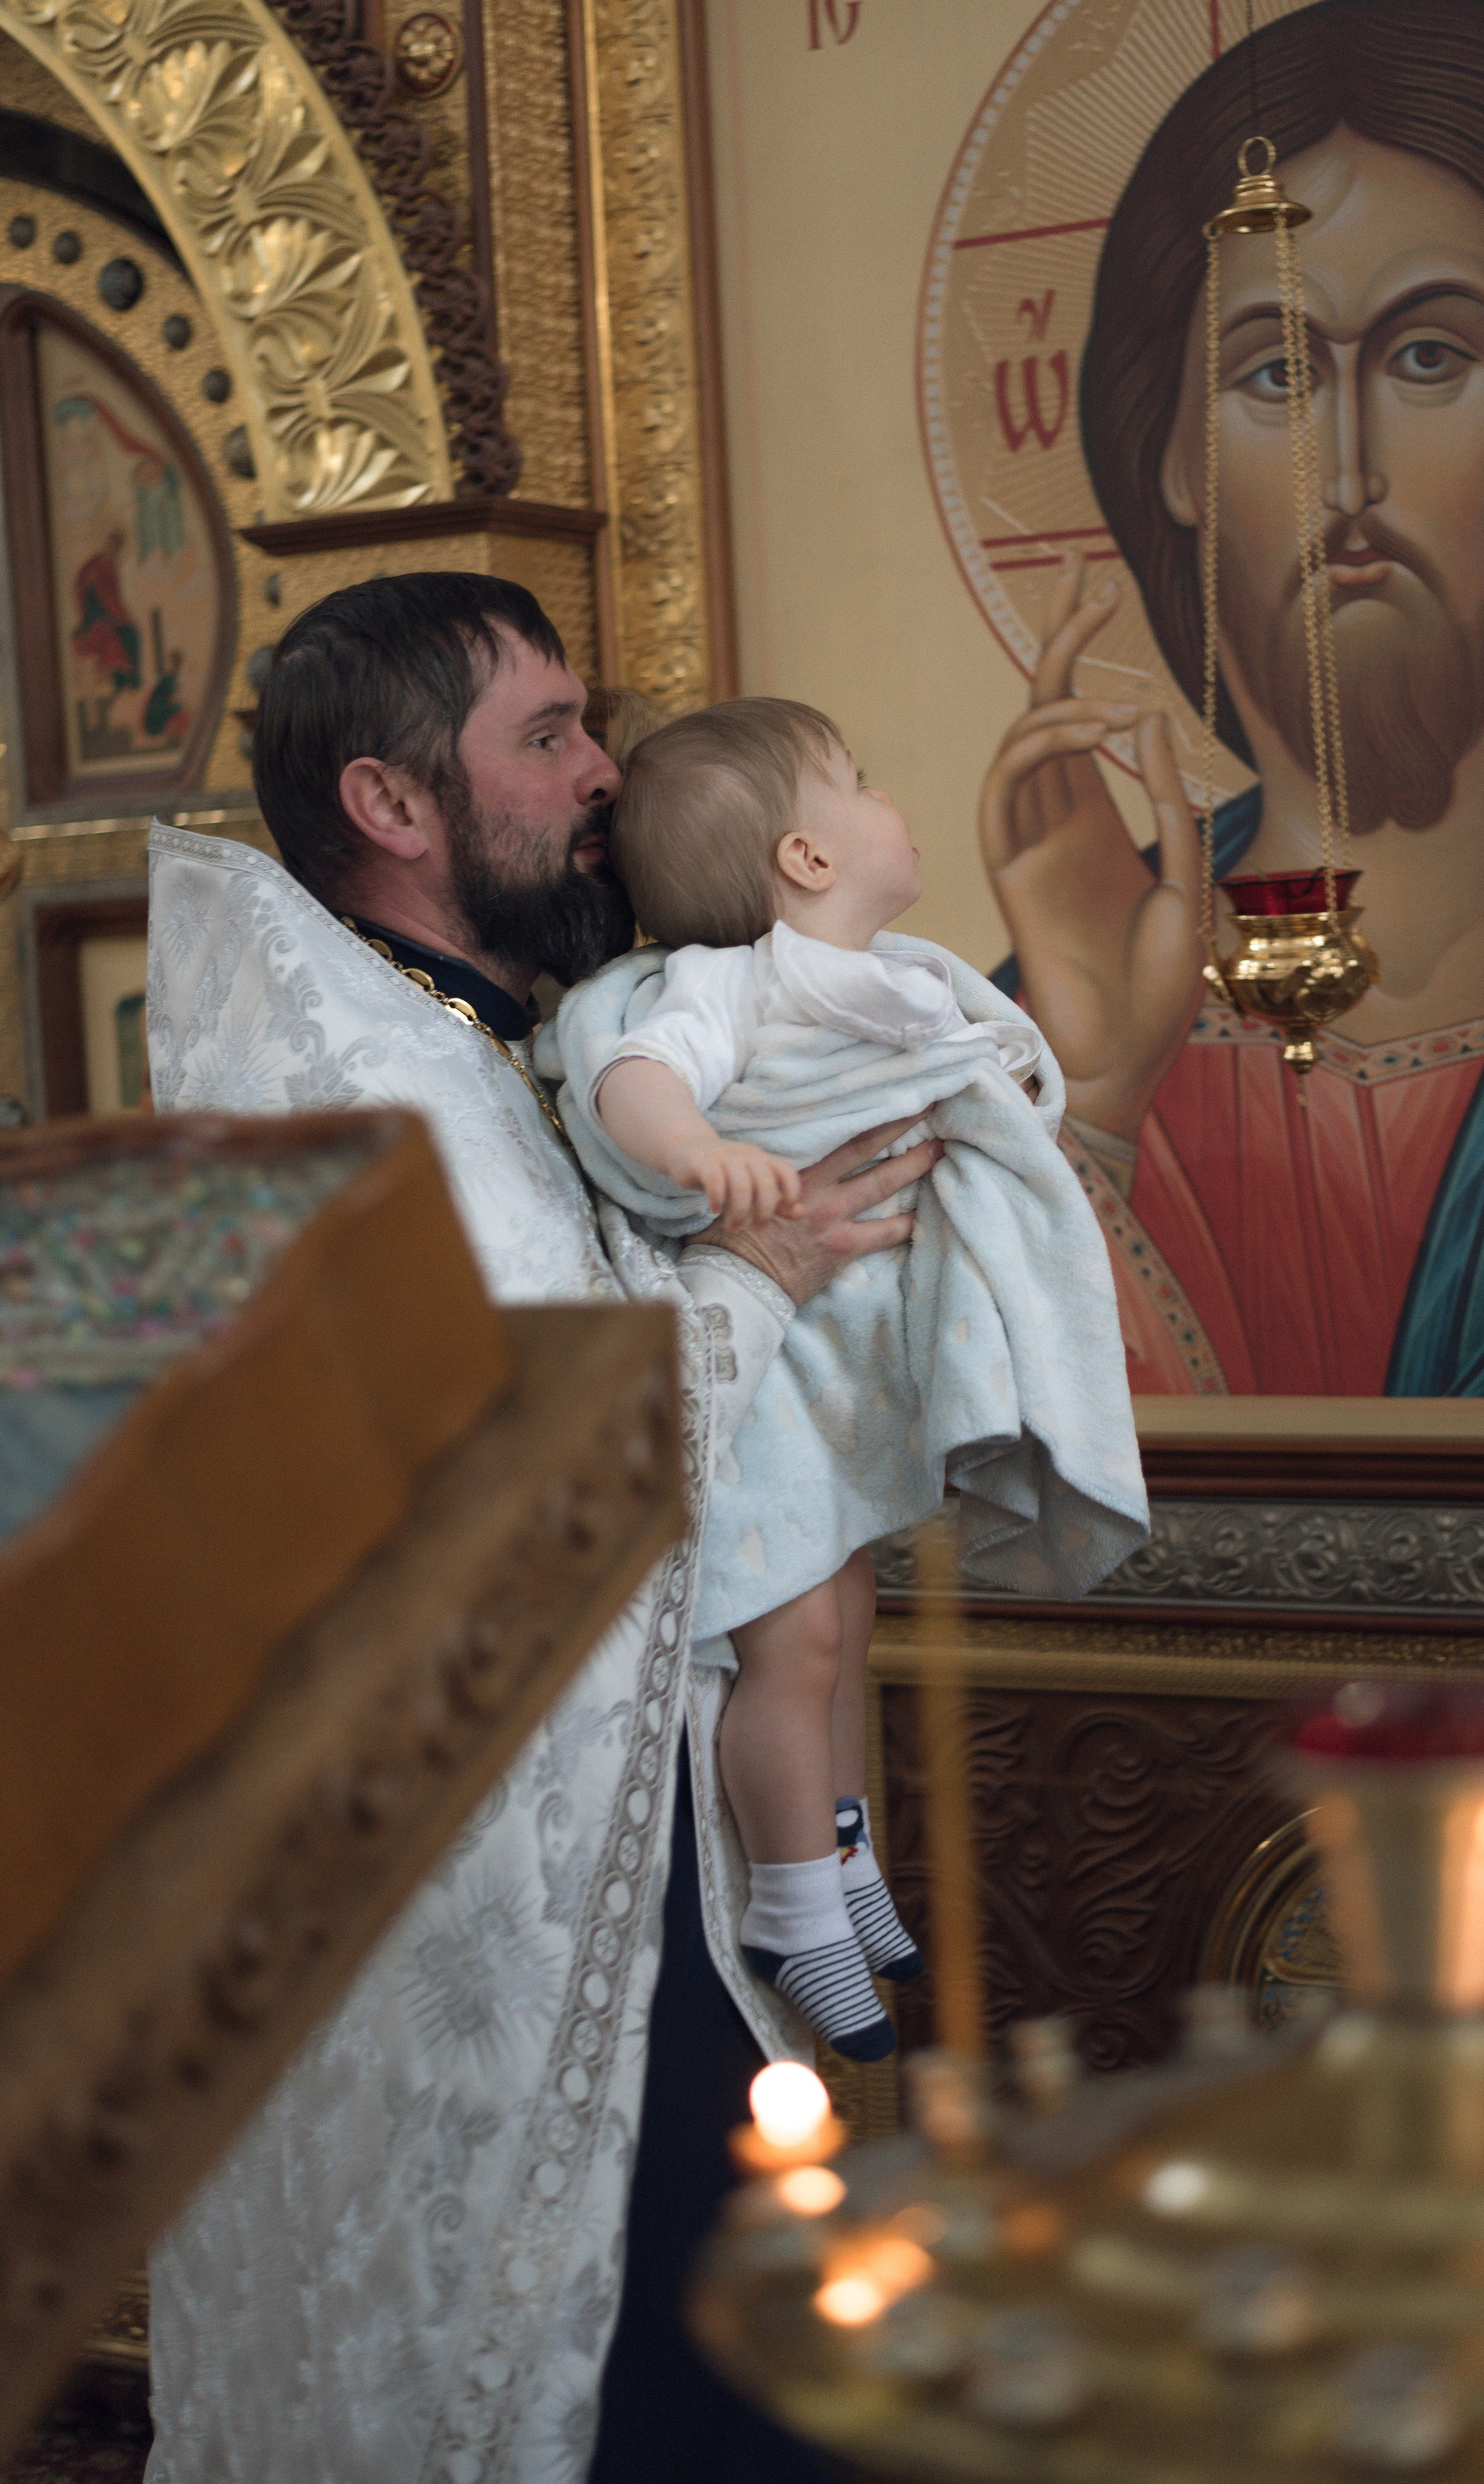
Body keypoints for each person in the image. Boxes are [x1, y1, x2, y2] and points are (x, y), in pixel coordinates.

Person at [143, 572, 941, 2483]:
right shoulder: (366, 1088)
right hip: (489, 1896)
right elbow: (536, 1459)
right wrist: (772, 1269)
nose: (605, 775)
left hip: (594, 1818)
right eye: (548, 737)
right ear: (394, 806)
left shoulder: (475, 1036)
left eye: (593, 728)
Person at [983, 0, 1484, 1399]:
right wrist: (1082, 1119)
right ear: (1177, 458)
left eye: (1427, 355)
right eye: (1272, 372)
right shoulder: (1025, 1032)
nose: (1345, 469)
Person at [564, 698, 1148, 2066]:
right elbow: (633, 1077)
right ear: (805, 859)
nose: (888, 802)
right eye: (859, 780)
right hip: (764, 1375)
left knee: (845, 1615)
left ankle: (836, 1847)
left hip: (839, 1376)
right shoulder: (736, 979)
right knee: (793, 1638)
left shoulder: (896, 974)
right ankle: (787, 1903)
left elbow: (988, 1072)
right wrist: (702, 1152)